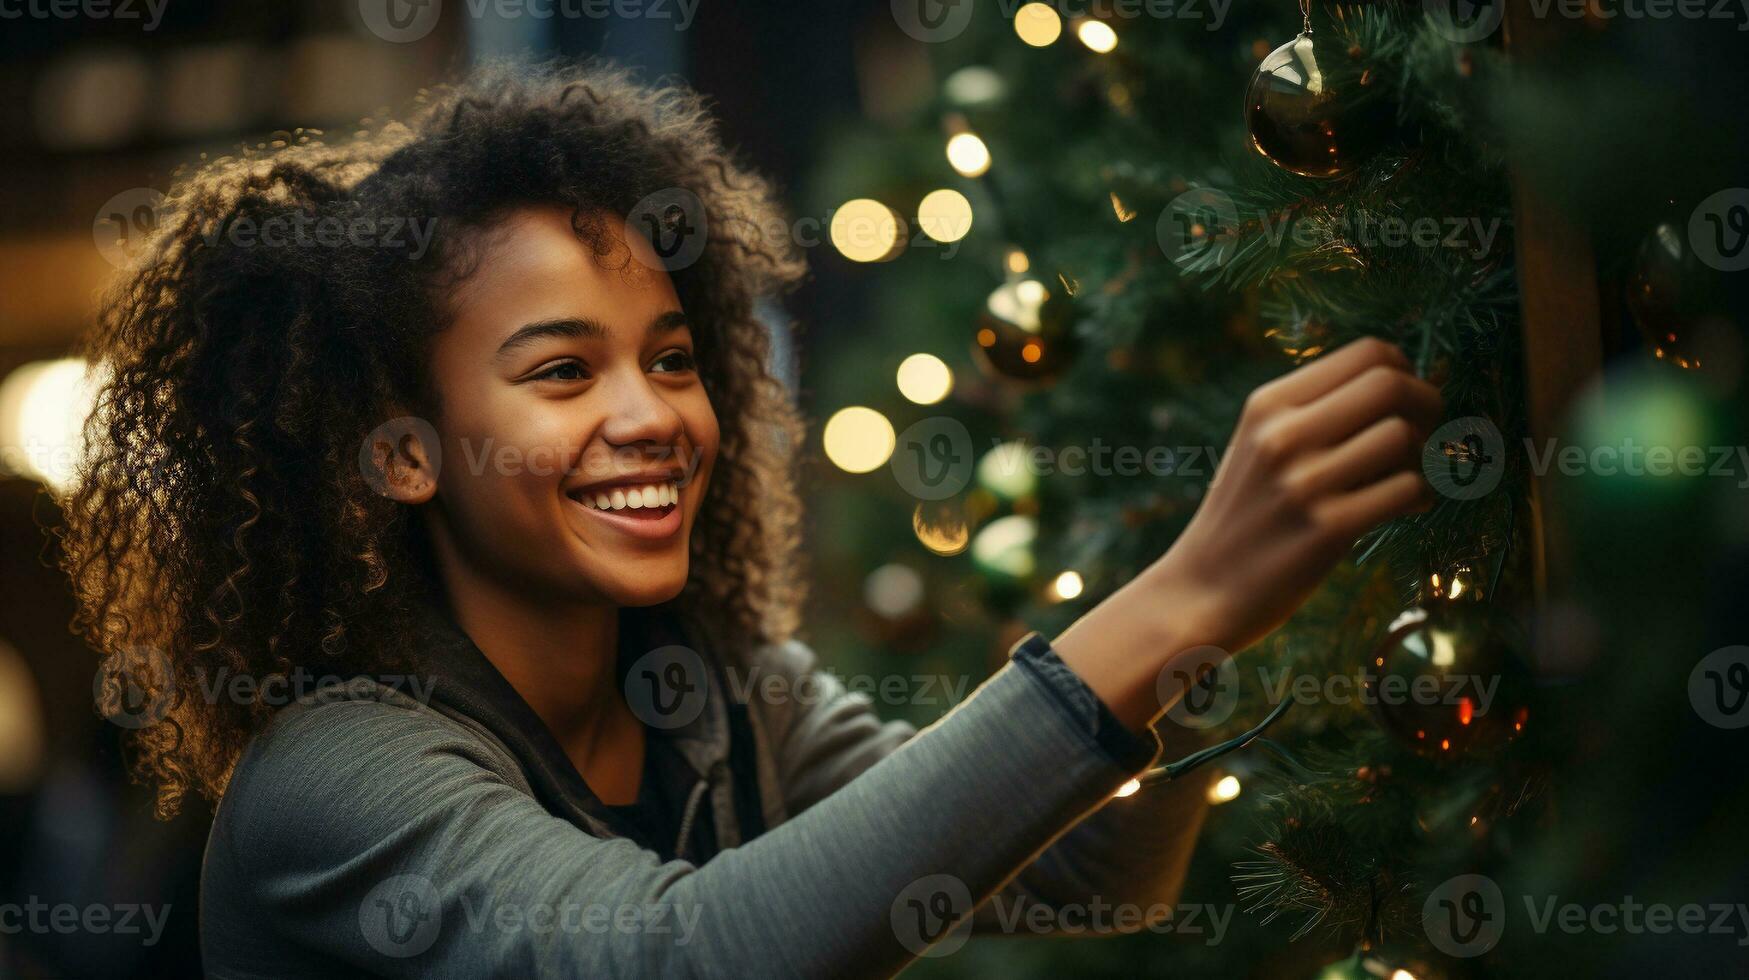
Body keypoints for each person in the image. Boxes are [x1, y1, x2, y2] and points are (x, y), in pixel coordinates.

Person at [61, 61, 1441, 978]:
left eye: (670, 357)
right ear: (401, 451)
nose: (655, 414)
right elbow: (695, 959)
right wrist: (1179, 597)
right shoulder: (331, 779)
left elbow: (1084, 880)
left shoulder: (718, 700)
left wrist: (1209, 634)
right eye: (560, 371)